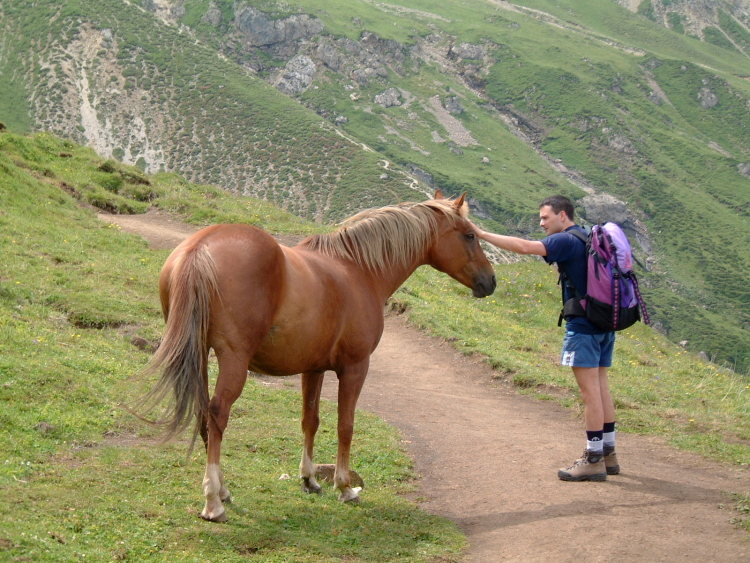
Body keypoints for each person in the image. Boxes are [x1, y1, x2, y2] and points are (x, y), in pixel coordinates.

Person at [469, 195, 619, 481]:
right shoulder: (587, 235)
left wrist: (481, 234)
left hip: (583, 327)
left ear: (563, 216)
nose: (541, 223)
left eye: (545, 217)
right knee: (601, 388)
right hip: (603, 323)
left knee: (590, 395)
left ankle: (593, 458)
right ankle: (609, 454)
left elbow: (526, 247)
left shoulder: (565, 240)